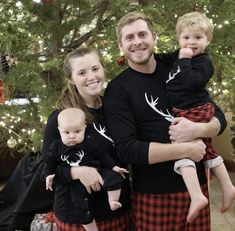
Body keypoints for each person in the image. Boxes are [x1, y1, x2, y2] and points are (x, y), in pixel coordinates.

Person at [103, 11, 227, 231]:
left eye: (142, 34)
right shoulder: (117, 90)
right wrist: (185, 149)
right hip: (153, 194)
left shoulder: (179, 66)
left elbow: (216, 114)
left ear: (154, 37)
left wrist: (200, 128)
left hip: (197, 189)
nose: (137, 42)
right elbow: (128, 150)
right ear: (120, 45)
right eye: (129, 37)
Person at [42, 46, 132, 231]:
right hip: (77, 217)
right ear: (71, 79)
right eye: (82, 72)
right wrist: (77, 172)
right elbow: (45, 170)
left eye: (95, 69)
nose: (91, 76)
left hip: (118, 208)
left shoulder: (115, 107)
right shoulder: (62, 119)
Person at [163, 11, 235, 223]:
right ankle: (228, 187)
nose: (191, 42)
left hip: (194, 110)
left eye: (198, 37)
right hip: (186, 110)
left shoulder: (203, 61)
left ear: (208, 40)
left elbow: (193, 82)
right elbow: (160, 60)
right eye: (186, 38)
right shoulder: (177, 55)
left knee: (182, 147)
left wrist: (184, 60)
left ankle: (196, 195)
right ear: (179, 38)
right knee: (207, 150)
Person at [42, 107, 128, 231]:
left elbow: (103, 156)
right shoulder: (56, 146)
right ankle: (91, 228)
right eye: (66, 133)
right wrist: (48, 175)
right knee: (81, 206)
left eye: (77, 131)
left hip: (98, 172)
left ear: (84, 129)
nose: (72, 136)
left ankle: (113, 200)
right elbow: (48, 162)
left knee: (114, 177)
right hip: (74, 185)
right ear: (59, 130)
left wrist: (113, 167)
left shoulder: (89, 142)